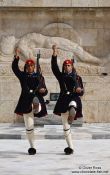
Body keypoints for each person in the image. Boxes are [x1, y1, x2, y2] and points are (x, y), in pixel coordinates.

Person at [12, 49, 48, 155]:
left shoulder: (39, 76)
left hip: (37, 98)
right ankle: (32, 147)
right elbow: (15, 68)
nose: (29, 67)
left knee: (36, 99)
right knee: (29, 127)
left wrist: (43, 90)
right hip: (25, 103)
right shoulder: (23, 76)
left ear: (34, 67)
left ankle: (37, 107)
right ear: (26, 68)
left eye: (31, 66)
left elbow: (45, 90)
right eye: (27, 66)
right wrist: (16, 57)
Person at [51, 45, 84, 155]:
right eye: (65, 66)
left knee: (73, 103)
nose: (66, 67)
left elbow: (82, 91)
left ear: (72, 66)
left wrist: (79, 90)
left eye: (68, 65)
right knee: (65, 127)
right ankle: (70, 147)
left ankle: (72, 110)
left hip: (74, 97)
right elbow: (54, 67)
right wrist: (54, 53)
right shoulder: (61, 76)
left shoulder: (77, 77)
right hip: (63, 100)